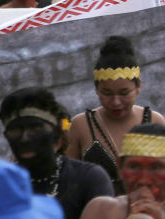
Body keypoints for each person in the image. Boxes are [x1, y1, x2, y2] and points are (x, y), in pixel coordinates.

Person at [0, 87, 113, 219]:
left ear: (57, 137)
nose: (25, 139)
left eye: (35, 129)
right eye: (15, 130)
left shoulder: (88, 178)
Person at [67, 36, 165, 186]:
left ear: (138, 87)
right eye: (107, 93)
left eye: (124, 93)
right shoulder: (81, 125)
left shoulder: (154, 120)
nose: (116, 102)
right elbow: (68, 180)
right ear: (96, 89)